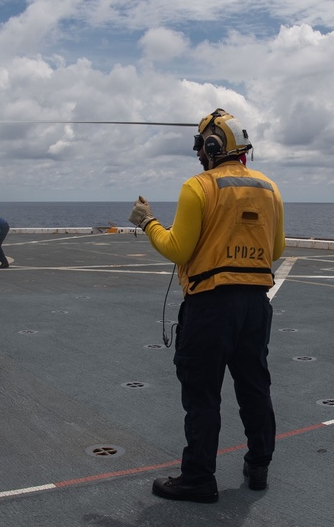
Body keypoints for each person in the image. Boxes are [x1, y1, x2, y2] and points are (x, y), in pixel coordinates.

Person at [128, 108, 285, 503]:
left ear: (214, 145)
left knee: (202, 394)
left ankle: (198, 478)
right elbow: (277, 249)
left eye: (201, 144)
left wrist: (147, 222)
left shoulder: (198, 187)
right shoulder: (270, 187)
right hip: (255, 306)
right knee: (254, 386)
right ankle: (259, 465)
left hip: (211, 307)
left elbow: (177, 249)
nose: (198, 152)